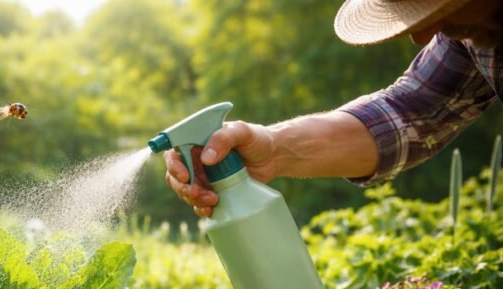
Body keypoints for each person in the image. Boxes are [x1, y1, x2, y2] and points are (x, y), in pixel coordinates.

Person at [164, 0, 503, 217]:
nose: (421, 34)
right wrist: (272, 148)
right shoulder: (473, 31)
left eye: (434, 6)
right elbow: (414, 110)